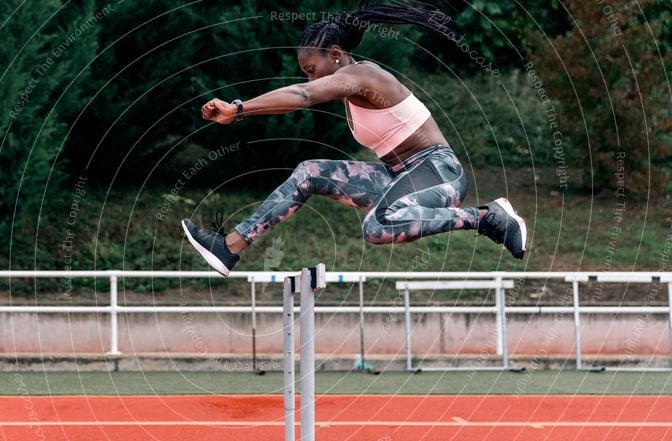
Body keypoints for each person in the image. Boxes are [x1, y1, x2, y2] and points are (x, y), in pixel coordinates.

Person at [182, 0, 527, 277]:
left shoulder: (362, 76)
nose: (311, 78)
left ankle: (488, 218)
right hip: (400, 175)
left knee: (377, 224)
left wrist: (238, 109)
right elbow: (307, 91)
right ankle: (229, 247)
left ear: (335, 53)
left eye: (311, 69)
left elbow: (304, 95)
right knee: (308, 173)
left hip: (438, 172)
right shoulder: (351, 87)